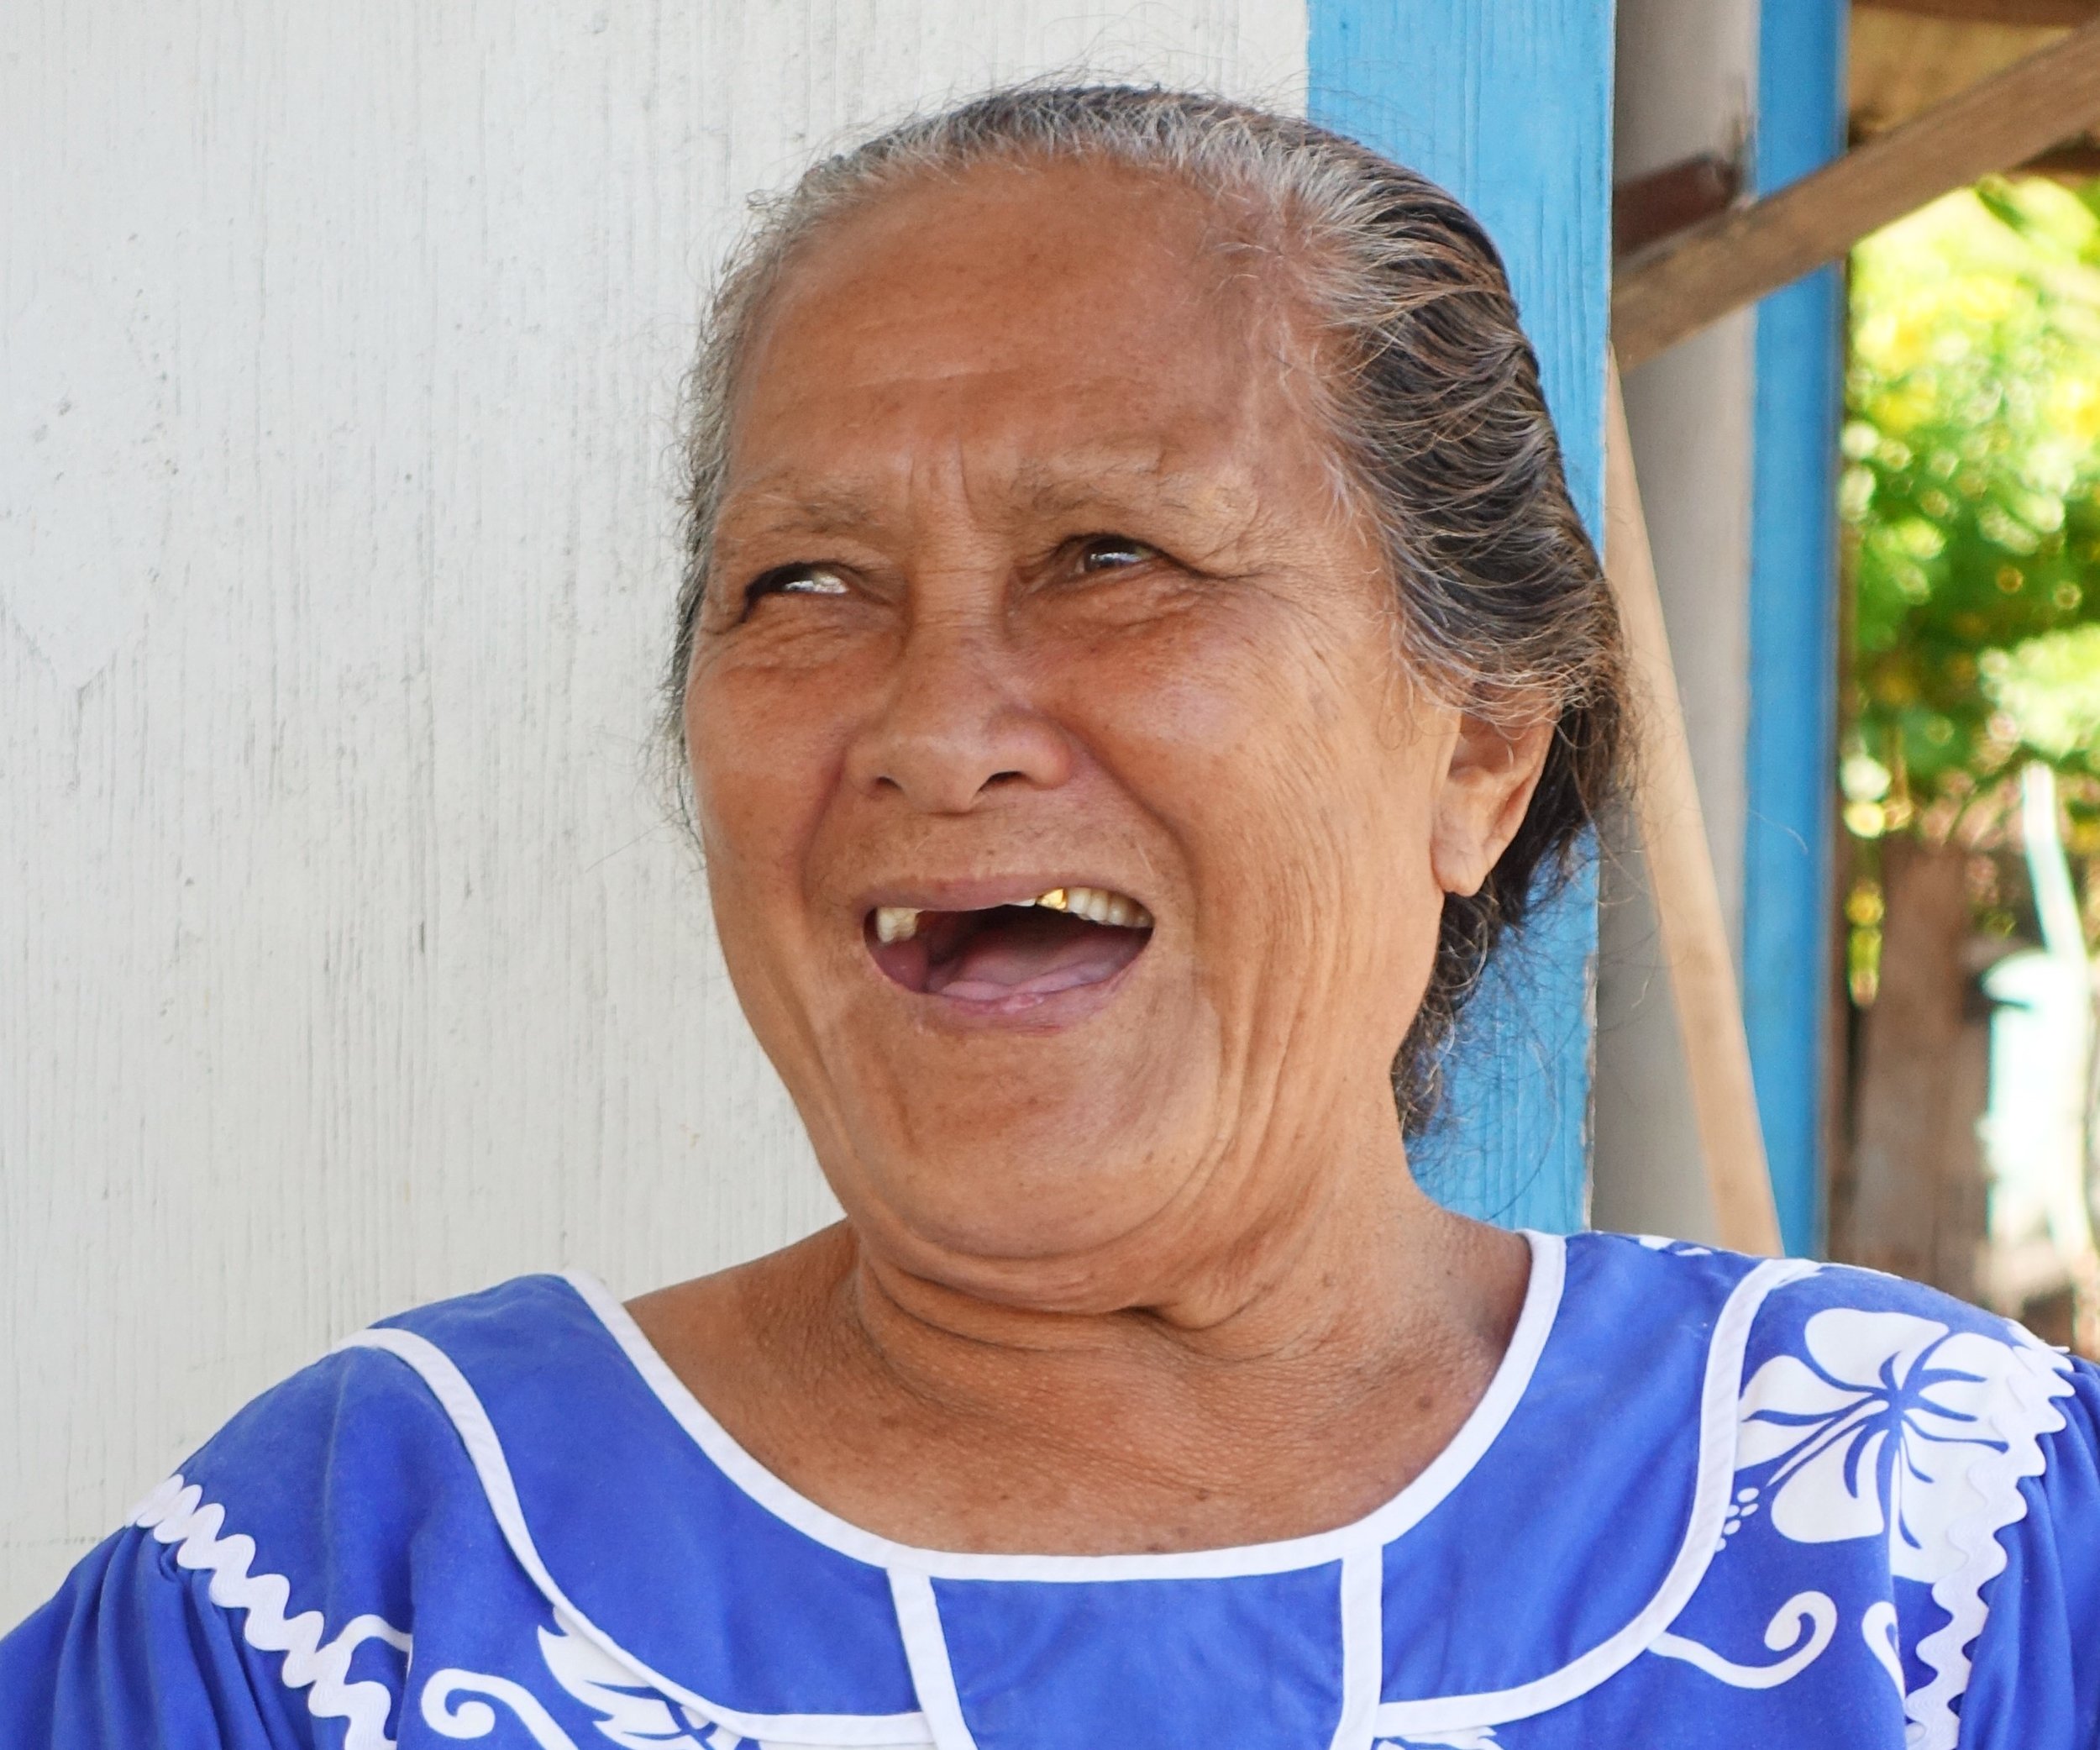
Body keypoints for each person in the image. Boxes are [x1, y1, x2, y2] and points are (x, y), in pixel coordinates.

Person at [3, 85, 2094, 1750]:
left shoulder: (1935, 1543)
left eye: (1111, 553)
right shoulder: (353, 1580)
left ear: (1477, 745)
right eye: (801, 586)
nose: (934, 729)